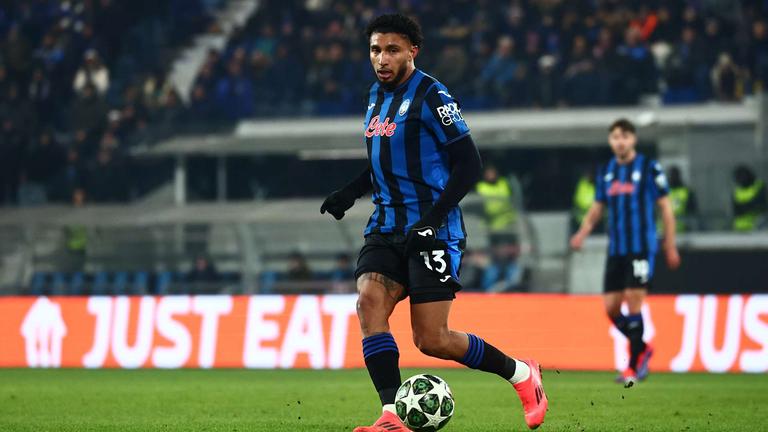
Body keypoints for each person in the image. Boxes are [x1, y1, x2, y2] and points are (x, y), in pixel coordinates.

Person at [321, 14, 547, 432]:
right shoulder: (375, 96)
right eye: (375, 50)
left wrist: (431, 220)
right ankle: (391, 416)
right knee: (368, 302)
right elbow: (383, 163)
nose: (382, 59)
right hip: (386, 226)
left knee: (432, 339)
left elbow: (469, 163)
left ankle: (521, 374)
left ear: (412, 51)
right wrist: (350, 192)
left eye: (392, 50)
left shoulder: (432, 95)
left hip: (434, 231)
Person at [570, 118, 681, 387]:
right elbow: (597, 208)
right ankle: (642, 347)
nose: (620, 141)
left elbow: (665, 208)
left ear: (633, 140)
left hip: (641, 247)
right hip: (616, 249)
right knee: (610, 308)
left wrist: (670, 243)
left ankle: (632, 367)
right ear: (611, 141)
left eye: (625, 136)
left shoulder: (649, 168)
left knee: (633, 301)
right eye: (615, 137)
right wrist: (582, 233)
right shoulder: (607, 171)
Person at [731, 165, 767, 232]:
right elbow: (736, 210)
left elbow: (762, 205)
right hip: (741, 228)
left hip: (759, 227)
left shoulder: (759, 186)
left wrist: (745, 206)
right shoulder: (737, 191)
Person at [666, 165, 698, 232]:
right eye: (671, 175)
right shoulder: (664, 192)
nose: (672, 177)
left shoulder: (686, 192)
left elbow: (693, 212)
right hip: (664, 230)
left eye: (674, 175)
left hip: (682, 230)